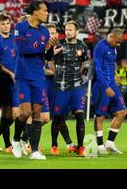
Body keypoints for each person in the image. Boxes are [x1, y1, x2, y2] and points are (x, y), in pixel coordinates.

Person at [12, 0, 57, 160]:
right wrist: (43, 47)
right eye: (44, 10)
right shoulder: (21, 27)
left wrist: (51, 48)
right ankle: (16, 139)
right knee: (25, 112)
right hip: (23, 76)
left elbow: (47, 56)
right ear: (35, 12)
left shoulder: (44, 31)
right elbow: (21, 49)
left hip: (38, 76)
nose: (46, 13)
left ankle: (34, 151)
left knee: (37, 113)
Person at [50, 21, 88, 156]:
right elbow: (50, 61)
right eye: (66, 30)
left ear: (76, 31)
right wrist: (57, 73)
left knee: (80, 115)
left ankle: (81, 147)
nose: (68, 32)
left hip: (76, 86)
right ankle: (54, 145)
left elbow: (84, 62)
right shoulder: (59, 45)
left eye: (70, 30)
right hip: (61, 86)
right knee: (58, 116)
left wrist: (80, 73)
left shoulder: (82, 46)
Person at [93, 28, 127, 155]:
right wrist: (106, 86)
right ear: (111, 37)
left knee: (122, 111)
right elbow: (97, 67)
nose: (118, 44)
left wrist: (115, 75)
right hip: (102, 85)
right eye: (117, 42)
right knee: (100, 115)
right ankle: (100, 145)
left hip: (112, 84)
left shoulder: (114, 47)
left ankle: (110, 143)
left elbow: (111, 64)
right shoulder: (100, 47)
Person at [0, 14, 18, 153]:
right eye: (3, 24)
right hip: (3, 79)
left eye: (8, 23)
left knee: (15, 114)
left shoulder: (14, 38)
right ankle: (7, 145)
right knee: (6, 111)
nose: (6, 26)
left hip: (16, 79)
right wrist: (9, 73)